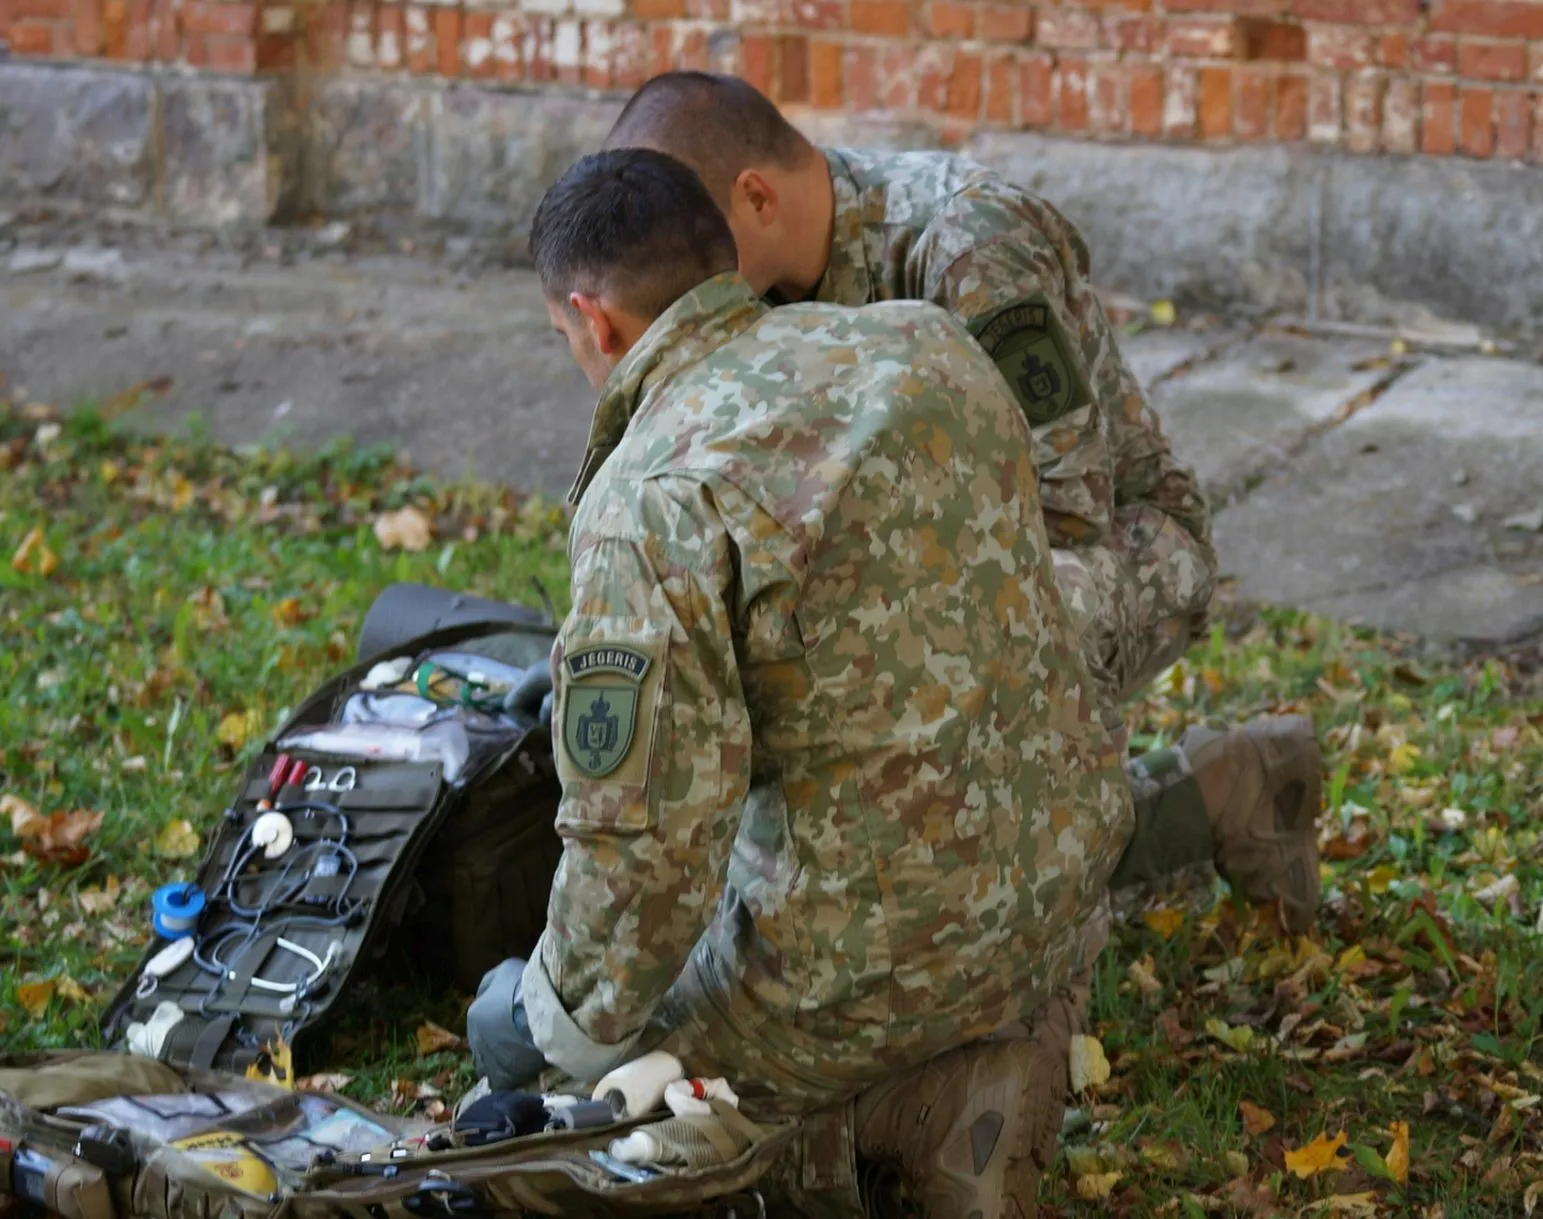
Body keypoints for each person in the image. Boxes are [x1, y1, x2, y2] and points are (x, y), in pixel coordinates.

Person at [473, 146, 1134, 1217]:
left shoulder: (652, 496)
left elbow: (643, 857)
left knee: (556, 1112)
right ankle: (971, 1066)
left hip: (869, 970)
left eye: (566, 337)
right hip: (1061, 899)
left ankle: (884, 1129)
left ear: (594, 321)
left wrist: (539, 1018)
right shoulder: (924, 341)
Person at [600, 71, 1324, 935]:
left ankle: (1125, 857)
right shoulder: (760, 283)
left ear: (755, 198)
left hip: (1117, 545)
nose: (678, 276)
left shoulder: (966, 241)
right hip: (929, 563)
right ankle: (1214, 790)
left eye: (690, 237)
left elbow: (1067, 501)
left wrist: (867, 627)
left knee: (917, 703)